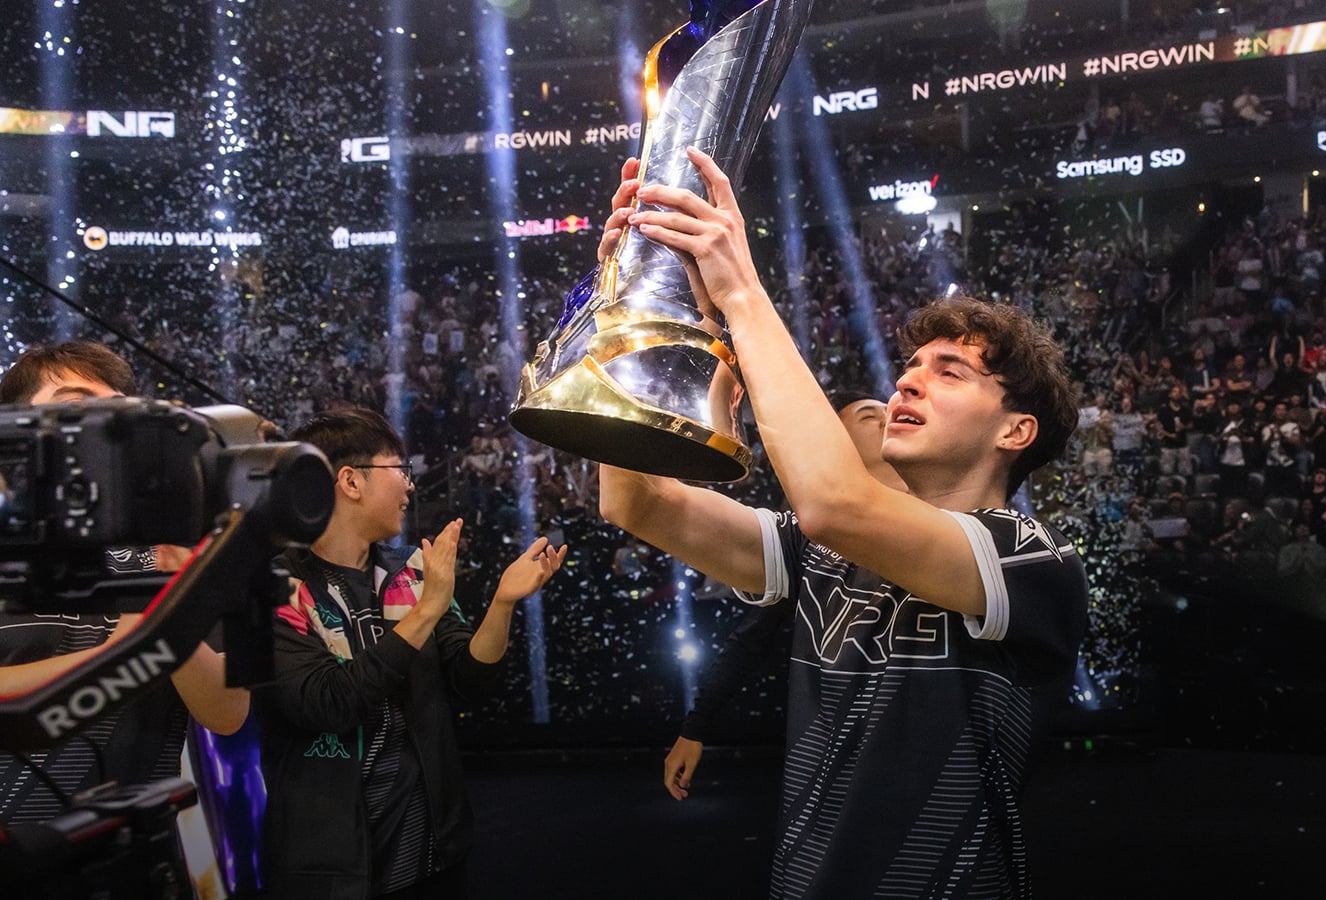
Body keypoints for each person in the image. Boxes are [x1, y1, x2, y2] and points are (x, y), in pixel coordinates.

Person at [599, 148, 1088, 897]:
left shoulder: (1031, 560)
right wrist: (644, 311)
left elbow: (833, 503)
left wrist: (740, 293)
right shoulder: (816, 552)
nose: (907, 379)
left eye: (948, 371)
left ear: (1016, 432)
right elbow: (637, 502)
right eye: (911, 364)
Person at [251, 408, 566, 899]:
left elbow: (471, 680)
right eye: (399, 469)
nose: (410, 486)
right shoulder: (274, 586)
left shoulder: (410, 573)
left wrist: (502, 603)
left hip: (435, 855)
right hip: (328, 870)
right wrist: (428, 609)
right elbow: (322, 703)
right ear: (350, 481)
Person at [0, 341, 249, 823]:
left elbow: (227, 711)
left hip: (141, 847)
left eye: (116, 412)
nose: (101, 424)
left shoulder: (170, 546)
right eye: (74, 406)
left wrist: (166, 596)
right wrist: (132, 645)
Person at [662, 390, 908, 800]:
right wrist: (696, 726)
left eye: (889, 409)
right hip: (850, 763)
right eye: (870, 416)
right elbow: (751, 638)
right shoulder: (808, 543)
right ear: (834, 443)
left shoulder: (966, 524)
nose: (892, 415)